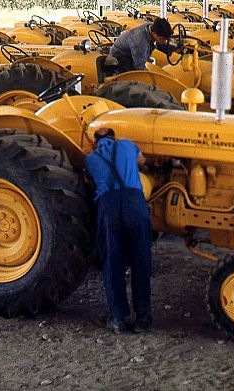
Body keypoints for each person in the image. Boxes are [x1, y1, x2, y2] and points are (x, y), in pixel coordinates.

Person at [84, 127, 153, 334]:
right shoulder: (127, 145)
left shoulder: (90, 159)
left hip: (109, 207)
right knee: (141, 260)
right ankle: (143, 318)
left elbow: (91, 179)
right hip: (134, 203)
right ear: (114, 137)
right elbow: (142, 161)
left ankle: (118, 318)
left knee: (113, 262)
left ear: (96, 142)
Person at [109, 17, 174, 73]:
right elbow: (139, 67)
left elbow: (161, 44)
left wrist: (176, 48)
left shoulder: (152, 27)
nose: (164, 41)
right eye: (162, 39)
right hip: (121, 61)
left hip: (133, 56)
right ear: (154, 34)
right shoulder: (139, 41)